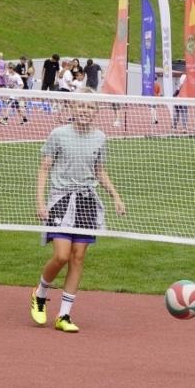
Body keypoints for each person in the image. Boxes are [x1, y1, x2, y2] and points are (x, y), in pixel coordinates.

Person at [30, 92, 127, 334]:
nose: (85, 110)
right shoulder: (58, 134)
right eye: (81, 105)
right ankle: (40, 293)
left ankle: (64, 315)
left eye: (90, 107)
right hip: (61, 200)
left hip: (86, 201)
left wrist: (115, 196)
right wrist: (40, 202)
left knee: (78, 257)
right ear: (72, 108)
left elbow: (99, 170)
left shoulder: (100, 138)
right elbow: (44, 168)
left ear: (96, 111)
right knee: (61, 256)